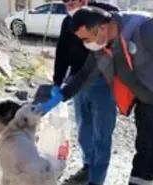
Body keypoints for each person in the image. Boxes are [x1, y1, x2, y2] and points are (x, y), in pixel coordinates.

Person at [35, 7, 153, 185]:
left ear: (102, 29)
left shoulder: (146, 29)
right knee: (142, 165)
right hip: (147, 108)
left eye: (86, 39)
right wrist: (60, 96)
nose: (85, 44)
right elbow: (85, 75)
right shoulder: (103, 47)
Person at [52, 0, 119, 184]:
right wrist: (57, 82)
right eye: (67, 5)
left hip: (104, 83)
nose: (69, 9)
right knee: (83, 130)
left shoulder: (107, 15)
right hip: (77, 82)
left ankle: (97, 180)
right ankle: (88, 165)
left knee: (102, 134)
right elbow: (62, 52)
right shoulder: (69, 22)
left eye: (73, 3)